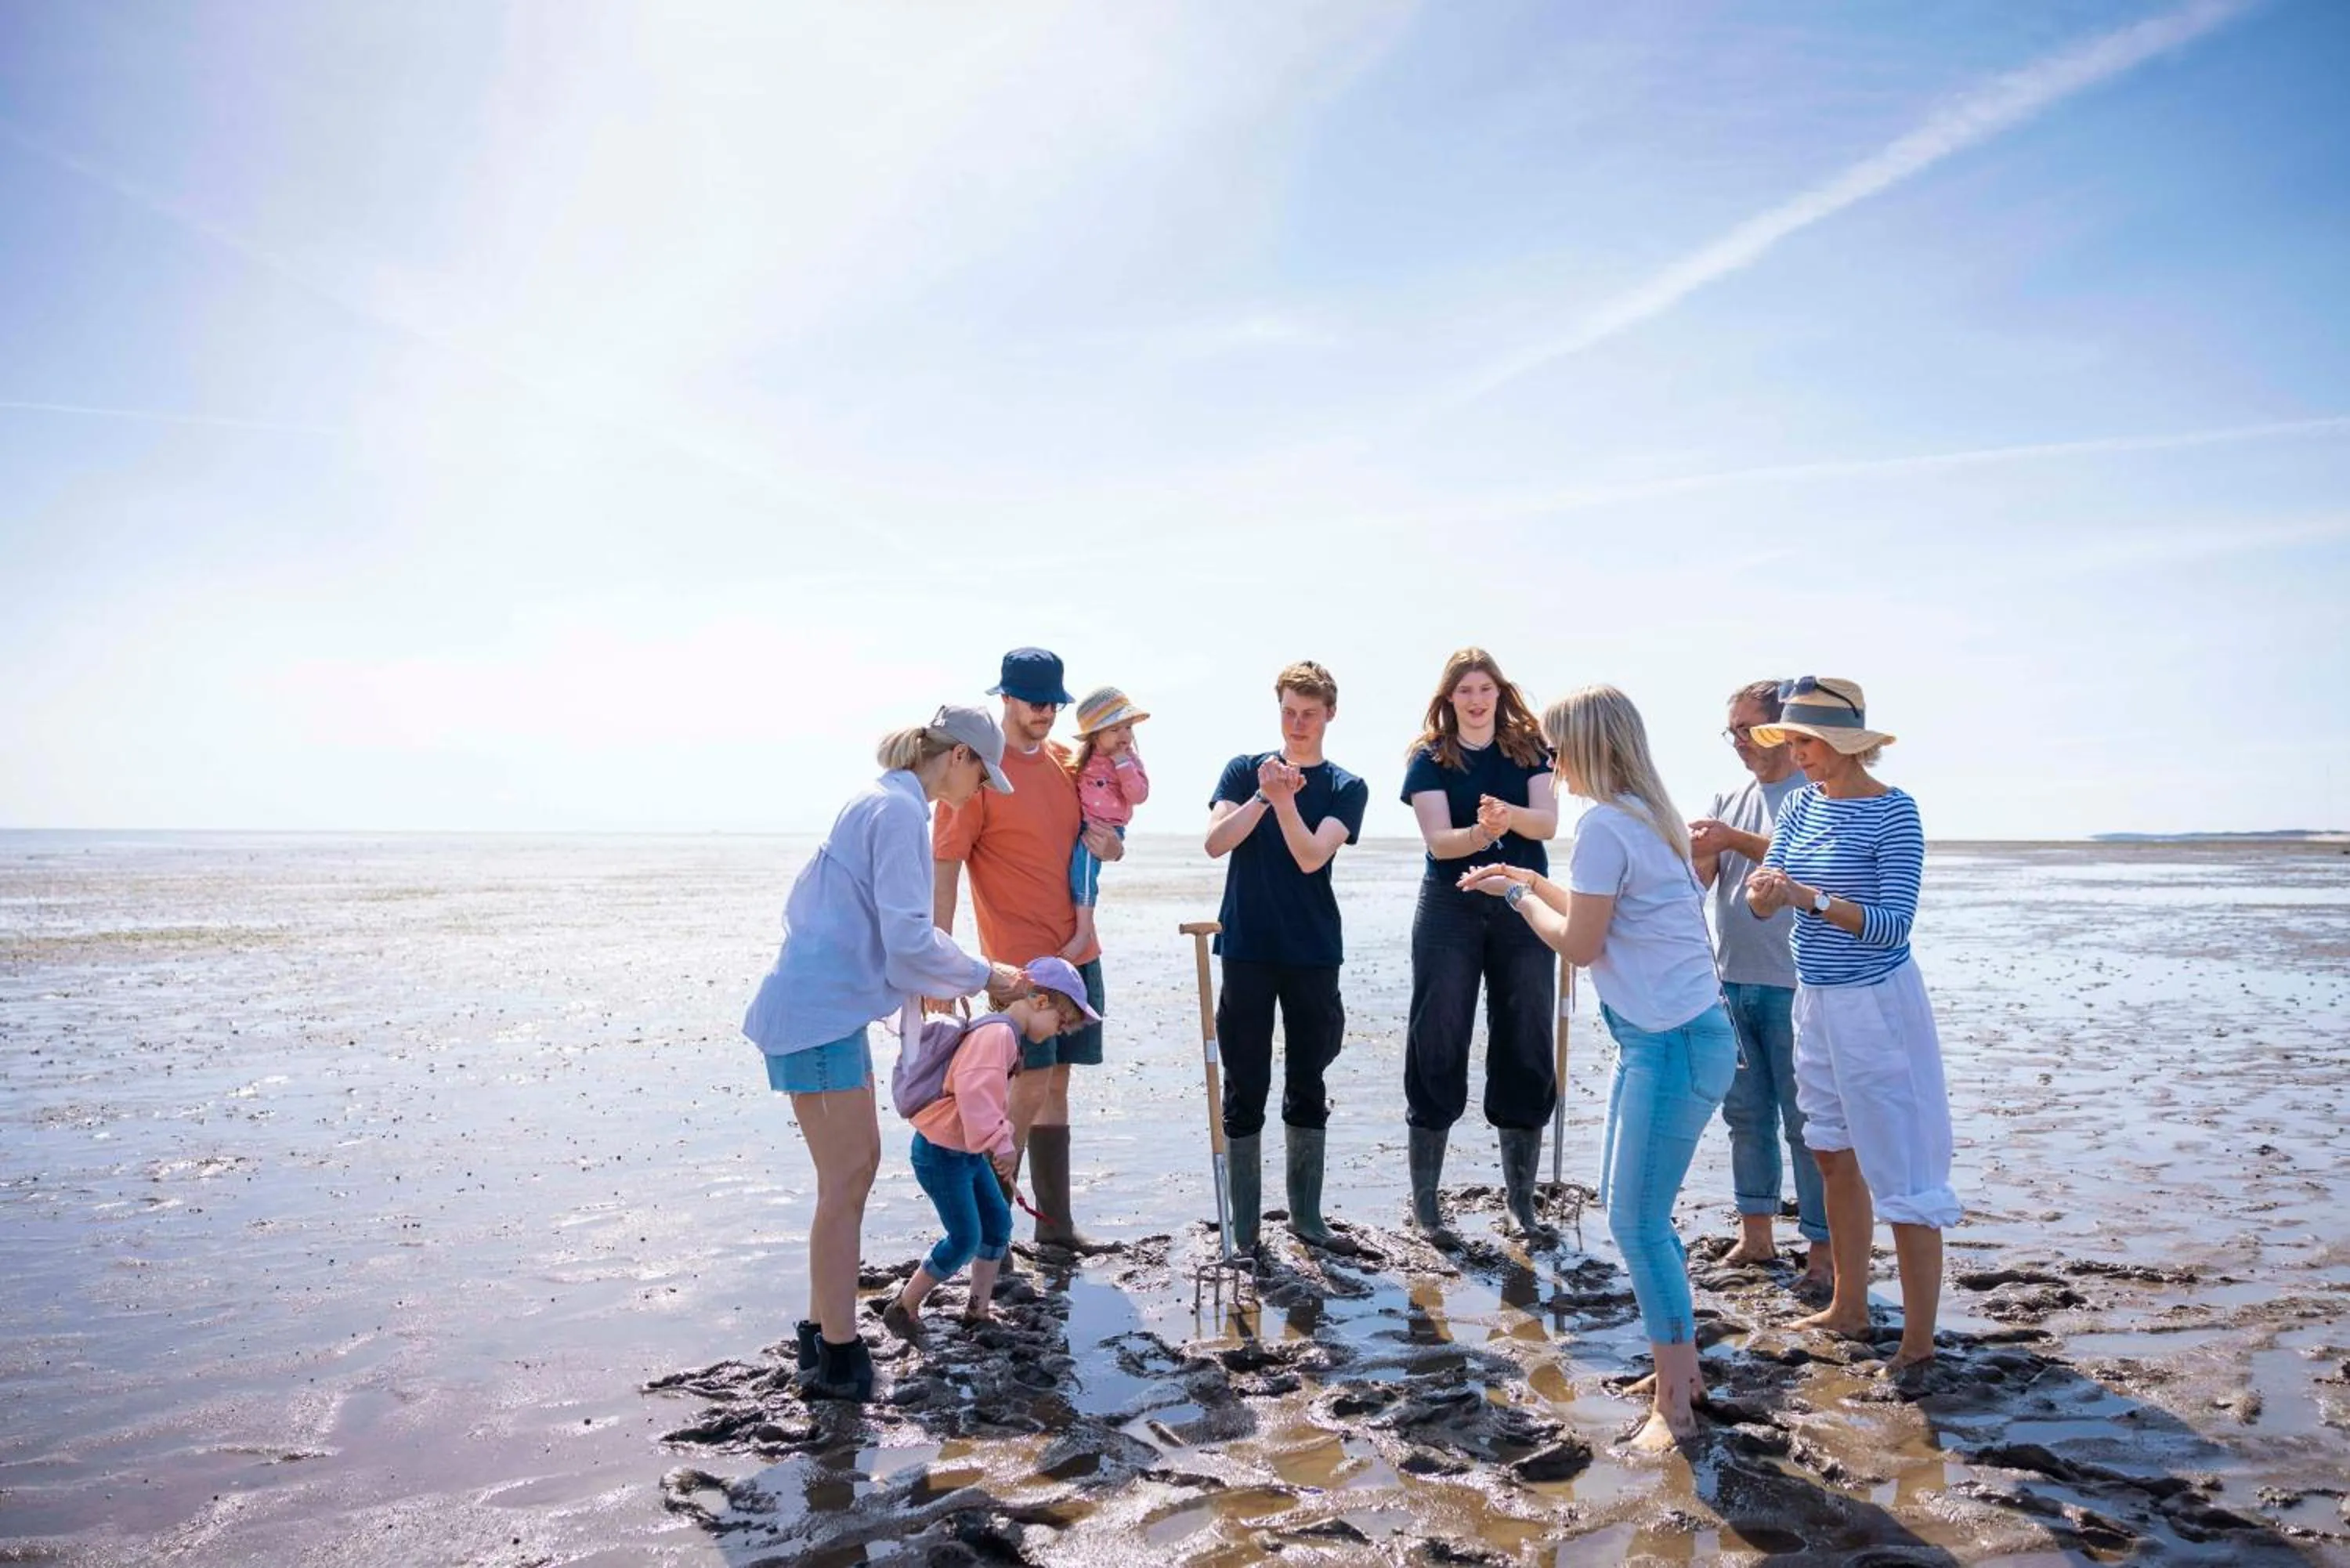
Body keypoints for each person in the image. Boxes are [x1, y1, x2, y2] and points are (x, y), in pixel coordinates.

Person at [1459, 685, 1736, 1449]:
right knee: (1634, 1210)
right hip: (1668, 1039)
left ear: (1586, 746)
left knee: (1635, 1221)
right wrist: (1518, 876)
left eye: (1555, 748)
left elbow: (1580, 946)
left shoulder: (1607, 825)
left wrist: (1518, 896)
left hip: (1672, 1043)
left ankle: (1675, 1407)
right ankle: (1681, 1372)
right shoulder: (1647, 817)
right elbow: (1596, 910)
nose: (1550, 762)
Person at [740, 706, 1029, 1401]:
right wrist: (987, 975)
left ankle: (821, 1335)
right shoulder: (899, 812)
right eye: (982, 775)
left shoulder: (884, 800)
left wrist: (951, 978)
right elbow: (908, 941)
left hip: (824, 1011)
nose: (981, 790)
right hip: (817, 1014)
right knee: (847, 1180)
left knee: (849, 1176)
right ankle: (839, 1356)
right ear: (958, 757)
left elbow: (896, 939)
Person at [1744, 676, 1957, 1376]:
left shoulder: (1896, 812)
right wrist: (1765, 894)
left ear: (1844, 742)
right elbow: (1768, 892)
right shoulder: (1800, 805)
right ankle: (1850, 1306)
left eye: (1805, 741)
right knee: (1831, 1152)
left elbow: (1893, 926)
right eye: (1789, 741)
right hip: (1816, 998)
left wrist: (1808, 898)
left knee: (1904, 1168)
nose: (1794, 754)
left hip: (1878, 1005)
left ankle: (1918, 1344)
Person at [934, 647, 1121, 1254]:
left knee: (1056, 1086)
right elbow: (945, 867)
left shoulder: (1069, 762)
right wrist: (940, 965)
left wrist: (1114, 847)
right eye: (1034, 701)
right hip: (1021, 966)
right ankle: (992, 1235)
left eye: (1053, 703)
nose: (1045, 712)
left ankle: (1055, 1228)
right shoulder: (979, 774)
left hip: (1079, 954)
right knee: (1022, 1090)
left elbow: (1103, 838)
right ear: (1006, 698)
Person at [1203, 660, 1368, 1251]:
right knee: (1244, 1083)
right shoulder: (1243, 770)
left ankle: (1307, 1219)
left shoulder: (1347, 786)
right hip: (1246, 946)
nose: (1297, 724)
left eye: (1309, 714)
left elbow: (1310, 856)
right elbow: (1216, 842)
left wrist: (1285, 801)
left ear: (1330, 714)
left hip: (1313, 951)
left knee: (1307, 1080)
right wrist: (1262, 796)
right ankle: (1245, 1230)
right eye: (1289, 712)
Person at [1398, 648, 1560, 1238]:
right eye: (1464, 690)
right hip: (1449, 908)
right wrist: (1481, 832)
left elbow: (1546, 823)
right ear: (1449, 698)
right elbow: (1440, 842)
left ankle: (1521, 1204)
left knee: (1527, 1033)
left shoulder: (1530, 748)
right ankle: (1427, 1208)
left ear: (1499, 692)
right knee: (1437, 1034)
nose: (1475, 700)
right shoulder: (1429, 756)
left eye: (1484, 689)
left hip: (1522, 902)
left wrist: (1506, 816)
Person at [1689, 679, 1831, 1295]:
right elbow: (1707, 881)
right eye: (1733, 732)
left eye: (1748, 729)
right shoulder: (1730, 797)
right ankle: (1757, 1236)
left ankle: (1823, 1255)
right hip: (1731, 980)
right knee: (1745, 1115)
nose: (1739, 742)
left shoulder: (1815, 793)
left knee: (1808, 1123)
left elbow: (1809, 861)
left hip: (1795, 985)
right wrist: (1698, 853)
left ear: (1780, 729)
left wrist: (1730, 839)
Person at [881, 958, 1101, 1342]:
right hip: (940, 1153)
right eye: (1061, 1022)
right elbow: (976, 1097)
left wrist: (999, 1139)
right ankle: (904, 1306)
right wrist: (1002, 1144)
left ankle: (977, 1310)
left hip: (965, 1151)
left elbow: (990, 1102)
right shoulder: (998, 1036)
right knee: (965, 1237)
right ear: (1040, 1001)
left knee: (998, 1224)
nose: (1060, 1032)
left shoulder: (1006, 1035)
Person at [1063, 686, 1152, 963]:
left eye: (1128, 727)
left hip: (1106, 829)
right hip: (1084, 824)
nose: (1124, 735)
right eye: (1115, 729)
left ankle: (1084, 932)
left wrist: (1123, 763)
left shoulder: (1129, 761)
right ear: (1095, 734)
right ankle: (1080, 927)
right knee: (1074, 873)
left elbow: (1139, 796)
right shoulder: (1084, 759)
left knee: (1083, 875)